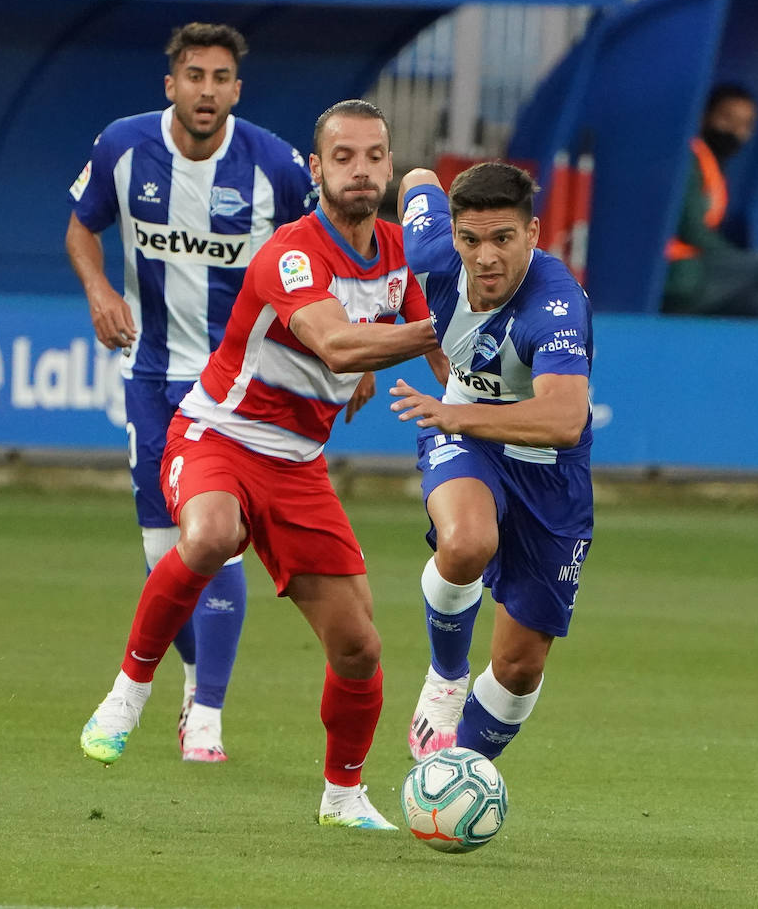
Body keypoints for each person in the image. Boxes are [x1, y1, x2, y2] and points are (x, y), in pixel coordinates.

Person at [80, 99, 443, 830]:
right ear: (316, 170)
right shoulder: (291, 250)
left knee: (360, 647)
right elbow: (341, 346)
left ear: (389, 166)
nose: (361, 170)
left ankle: (342, 795)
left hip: (300, 467)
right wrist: (438, 328)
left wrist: (485, 364)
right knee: (211, 535)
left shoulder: (402, 254)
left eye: (375, 156)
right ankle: (130, 690)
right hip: (218, 434)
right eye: (343, 157)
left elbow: (437, 349)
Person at [65, 23, 318, 763]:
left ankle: (205, 713)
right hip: (150, 376)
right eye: (194, 75)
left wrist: (350, 353)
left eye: (220, 77)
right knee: (164, 550)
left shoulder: (275, 165)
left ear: (237, 90)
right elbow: (82, 229)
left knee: (218, 540)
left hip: (241, 387)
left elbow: (324, 257)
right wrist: (99, 288)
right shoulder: (123, 147)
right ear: (170, 85)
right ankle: (190, 688)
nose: (207, 90)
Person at [389, 161, 594, 765]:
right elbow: (417, 178)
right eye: (470, 239)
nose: (485, 258)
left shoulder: (554, 305)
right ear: (452, 234)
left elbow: (562, 420)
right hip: (466, 441)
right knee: (465, 542)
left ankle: (453, 776)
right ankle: (445, 679)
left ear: (533, 233)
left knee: (519, 666)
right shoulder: (431, 250)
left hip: (547, 467)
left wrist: (458, 415)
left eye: (502, 238)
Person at [661, 83, 758, 319]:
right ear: (704, 117)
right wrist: (737, 259)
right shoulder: (688, 159)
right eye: (727, 119)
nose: (735, 131)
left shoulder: (713, 164)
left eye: (745, 125)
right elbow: (691, 230)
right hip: (676, 275)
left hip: (698, 273)